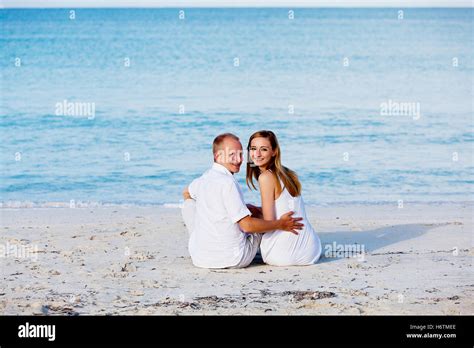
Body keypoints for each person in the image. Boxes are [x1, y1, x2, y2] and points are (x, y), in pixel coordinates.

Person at [182, 133, 304, 269]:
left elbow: (186, 193)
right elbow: (247, 226)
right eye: (232, 155)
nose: (239, 160)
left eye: (241, 154)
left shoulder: (203, 179)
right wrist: (280, 224)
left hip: (200, 258)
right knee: (257, 222)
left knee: (190, 205)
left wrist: (209, 211)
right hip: (233, 258)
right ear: (218, 156)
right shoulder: (228, 183)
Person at [246, 130, 322, 266]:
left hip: (283, 255)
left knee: (245, 223)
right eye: (253, 149)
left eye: (263, 149)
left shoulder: (265, 177)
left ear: (274, 151)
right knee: (252, 210)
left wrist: (248, 218)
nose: (256, 154)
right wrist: (257, 209)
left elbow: (269, 224)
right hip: (311, 250)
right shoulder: (288, 173)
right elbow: (284, 205)